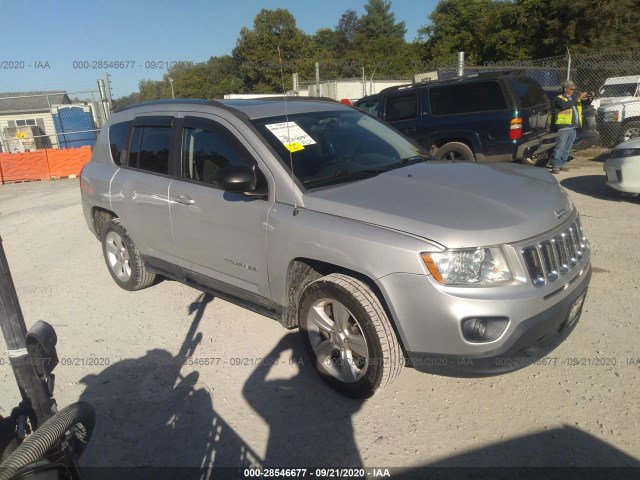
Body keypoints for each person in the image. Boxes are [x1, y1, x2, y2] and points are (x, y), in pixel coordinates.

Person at [550, 80, 589, 174]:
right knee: (560, 147)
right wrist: (578, 98)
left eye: (573, 89)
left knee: (567, 148)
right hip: (564, 127)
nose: (572, 90)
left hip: (573, 127)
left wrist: (590, 99)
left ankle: (562, 163)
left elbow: (584, 105)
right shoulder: (559, 99)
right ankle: (555, 165)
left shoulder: (573, 99)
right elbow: (564, 106)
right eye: (571, 89)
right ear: (565, 89)